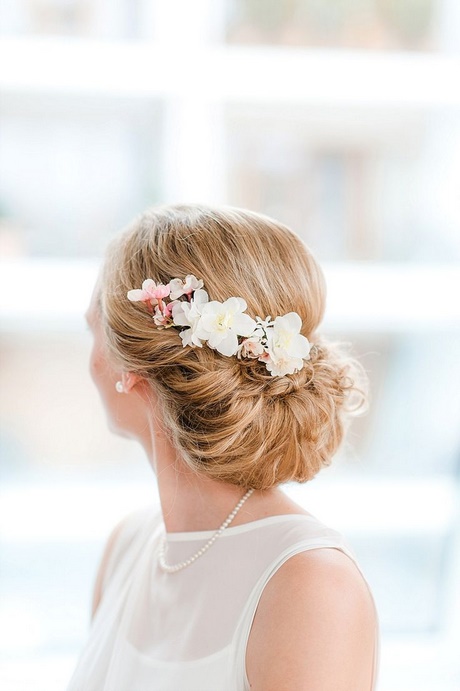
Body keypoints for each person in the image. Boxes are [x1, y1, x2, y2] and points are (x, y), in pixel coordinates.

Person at [68, 203, 379, 691]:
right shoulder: (126, 548)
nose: (89, 362)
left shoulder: (311, 586)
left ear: (133, 365)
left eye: (93, 330)